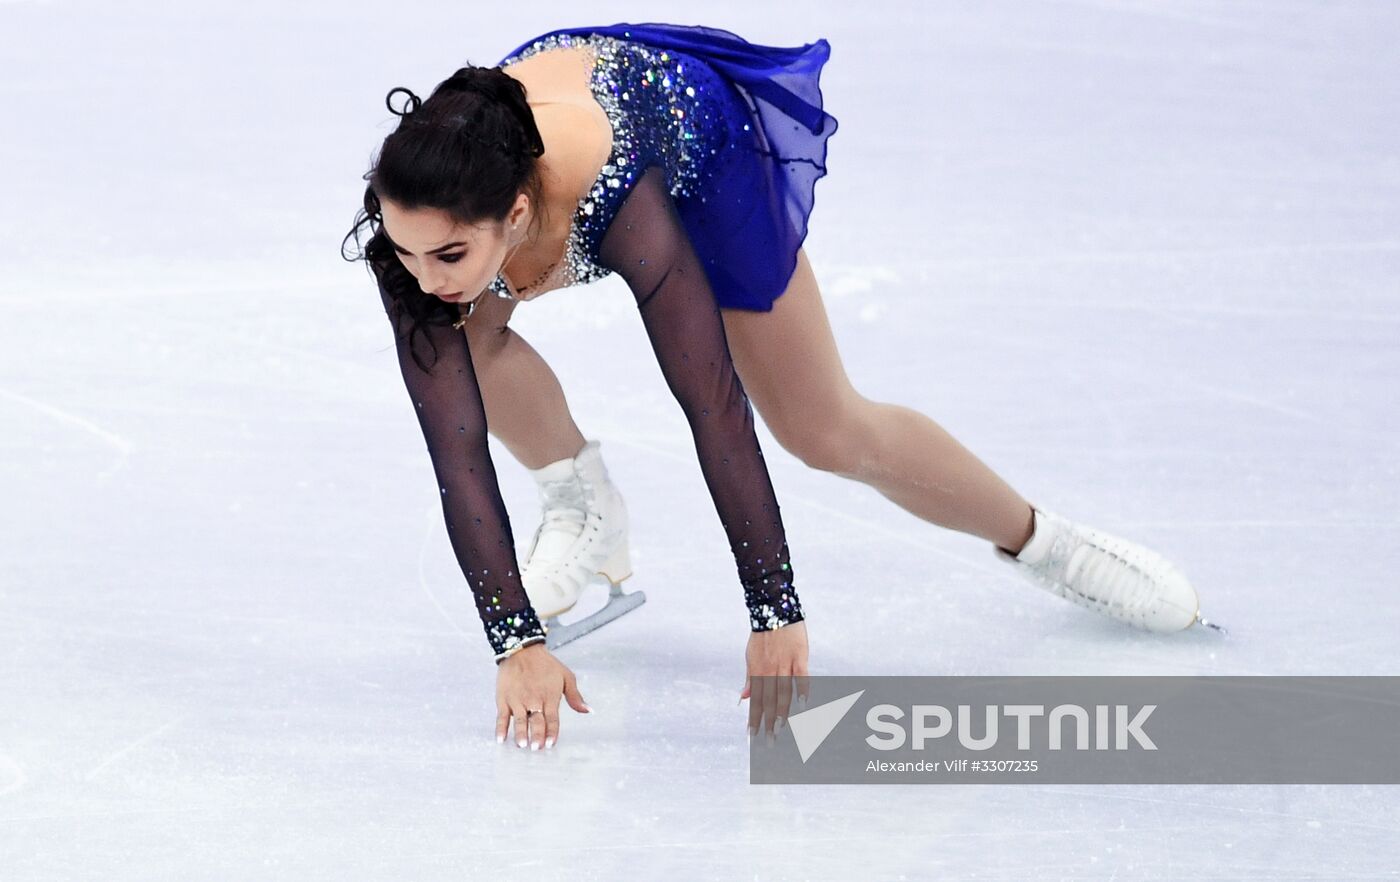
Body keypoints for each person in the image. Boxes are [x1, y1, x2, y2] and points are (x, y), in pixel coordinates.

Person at [342, 23, 1216, 753]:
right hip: (515, 145)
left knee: (824, 428)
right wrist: (516, 641)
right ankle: (583, 503)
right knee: (467, 335)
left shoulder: (626, 201)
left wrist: (774, 610)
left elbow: (713, 401)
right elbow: (454, 452)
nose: (421, 277)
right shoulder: (421, 233)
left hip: (691, 142)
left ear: (518, 217)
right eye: (406, 250)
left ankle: (1045, 542)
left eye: (448, 255)